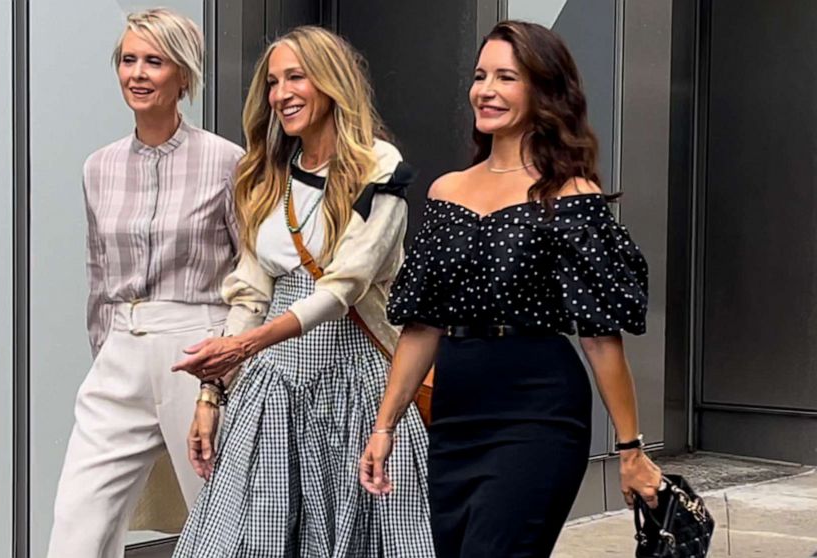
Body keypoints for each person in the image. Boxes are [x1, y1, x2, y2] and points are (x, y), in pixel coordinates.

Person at [359, 20, 663, 557]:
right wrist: (384, 427)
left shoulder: (570, 195)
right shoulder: (446, 191)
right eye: (481, 75)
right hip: (456, 413)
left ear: (543, 90)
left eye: (507, 77)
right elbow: (422, 325)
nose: (487, 90)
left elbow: (599, 337)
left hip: (538, 411)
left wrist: (630, 448)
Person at [170, 25, 435, 558]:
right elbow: (249, 295)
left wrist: (246, 346)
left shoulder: (377, 169)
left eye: (297, 77)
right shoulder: (267, 175)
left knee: (364, 538)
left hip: (358, 387)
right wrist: (211, 394)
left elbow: (344, 287)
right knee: (245, 538)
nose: (281, 93)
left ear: (332, 83)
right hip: (273, 389)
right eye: (273, 81)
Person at [46, 9, 243, 558]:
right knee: (76, 521)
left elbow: (251, 271)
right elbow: (98, 273)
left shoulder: (228, 162)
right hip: (120, 349)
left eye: (154, 61)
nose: (137, 73)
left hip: (198, 346)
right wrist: (105, 347)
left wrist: (226, 367)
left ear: (183, 76)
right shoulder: (98, 166)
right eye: (128, 60)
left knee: (218, 521)